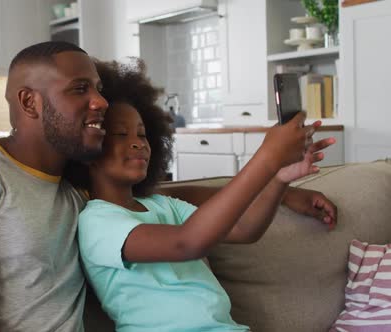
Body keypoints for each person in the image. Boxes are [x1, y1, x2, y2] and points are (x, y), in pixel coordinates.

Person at [0, 41, 335, 331]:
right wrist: (267, 160)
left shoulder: (76, 191)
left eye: (100, 89)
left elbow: (168, 201)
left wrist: (282, 187)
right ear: (29, 101)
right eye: (80, 89)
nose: (101, 102)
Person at [69, 59, 336, 331]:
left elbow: (245, 228)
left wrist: (279, 178)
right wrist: (267, 159)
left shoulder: (161, 205)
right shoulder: (98, 221)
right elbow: (187, 243)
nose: (138, 142)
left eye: (142, 134)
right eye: (121, 134)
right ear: (90, 151)